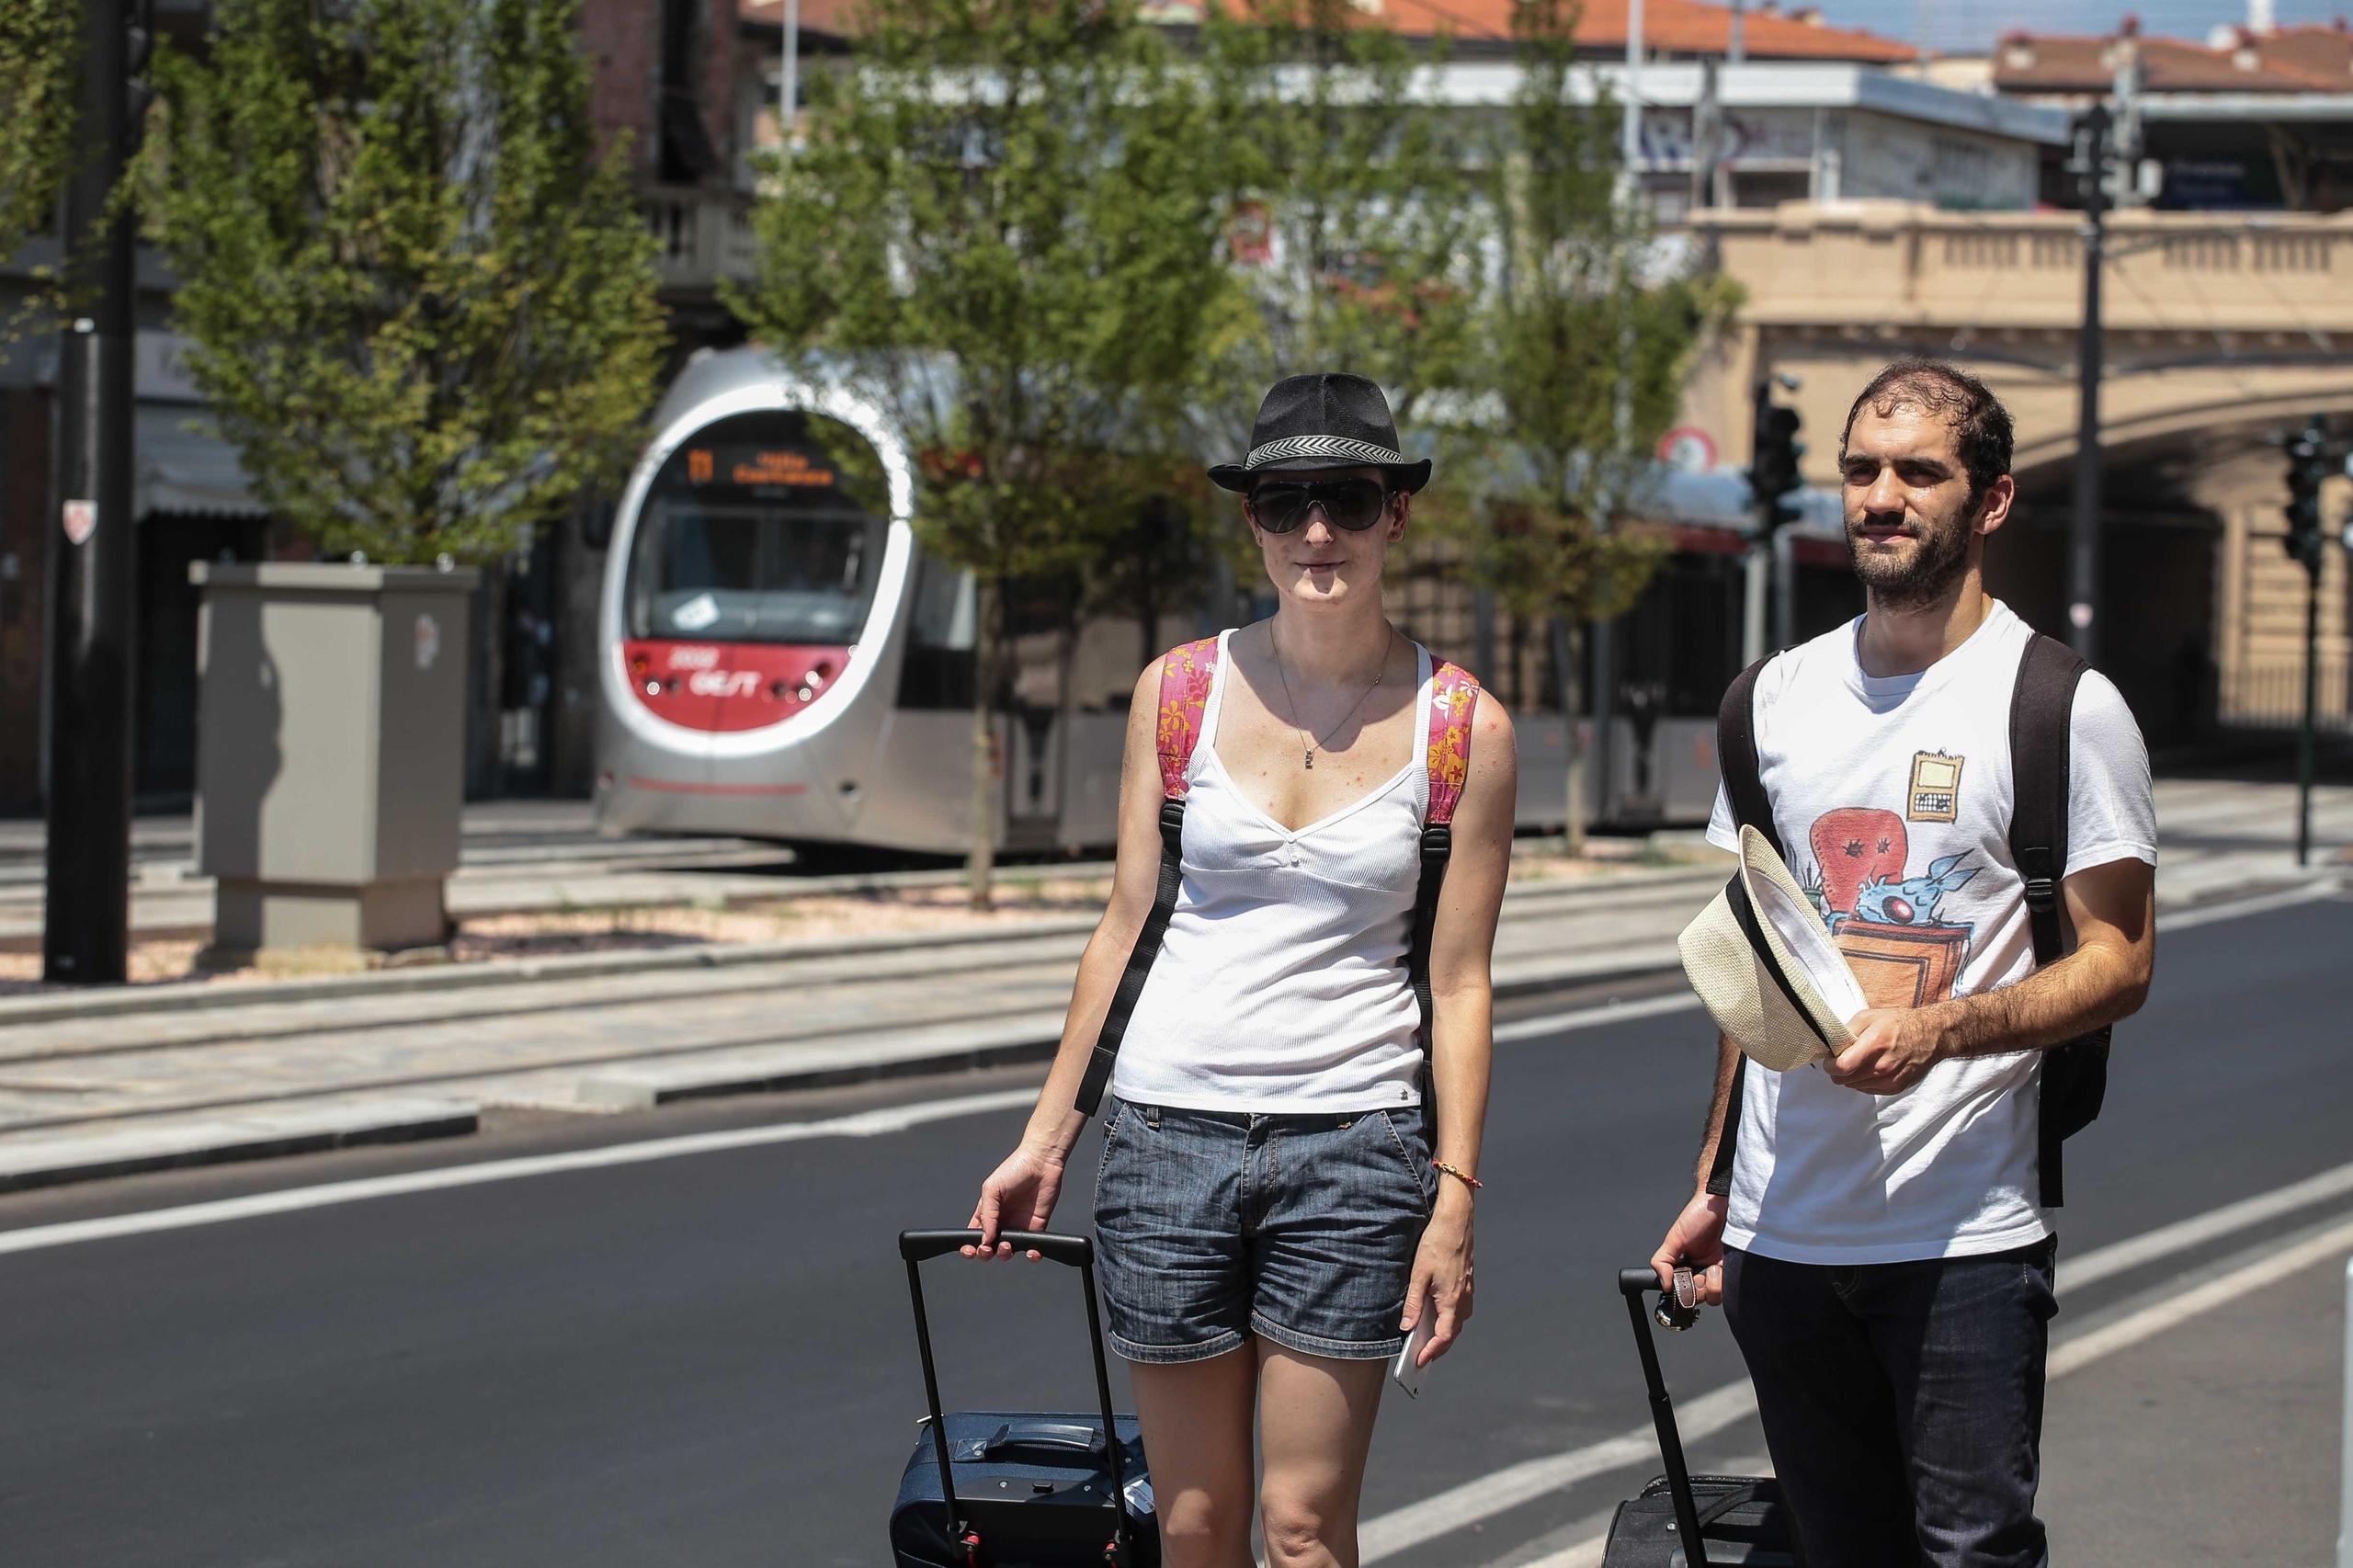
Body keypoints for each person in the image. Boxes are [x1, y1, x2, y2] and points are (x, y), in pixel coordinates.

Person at [962, 371, 1517, 1568]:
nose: (1317, 530)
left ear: (1395, 514)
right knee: (1197, 1526)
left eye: (1348, 498)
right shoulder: (1179, 694)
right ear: (1252, 517)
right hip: (1167, 1137)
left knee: (1305, 1530)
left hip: (1353, 1147)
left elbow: (1462, 980)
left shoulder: (1462, 724)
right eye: (1285, 500)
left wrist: (1455, 1194)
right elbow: (1123, 925)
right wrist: (1047, 1135)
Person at [1651, 358, 2157, 1568]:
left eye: (1919, 471)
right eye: (1863, 470)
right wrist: (1720, 1178)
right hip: (1783, 1239)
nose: (1883, 495)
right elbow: (1754, 960)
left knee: (1972, 1551)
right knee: (1835, 1551)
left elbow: (2123, 959)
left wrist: (1942, 1028)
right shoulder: (1768, 701)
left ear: (1989, 501)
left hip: (1963, 1237)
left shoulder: (2060, 704)